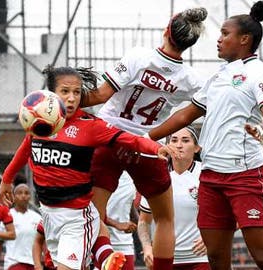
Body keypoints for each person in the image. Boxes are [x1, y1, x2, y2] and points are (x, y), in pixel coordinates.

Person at [146, 1, 263, 269]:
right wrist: (145, 136)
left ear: (244, 39)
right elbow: (184, 116)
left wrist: (261, 128)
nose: (219, 39)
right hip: (211, 177)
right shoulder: (218, 76)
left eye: (225, 33)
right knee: (216, 258)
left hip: (245, 175)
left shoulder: (259, 74)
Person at [0, 65, 178, 270]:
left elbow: (128, 139)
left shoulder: (90, 125)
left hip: (76, 218)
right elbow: (24, 150)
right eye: (65, 91)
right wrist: (6, 180)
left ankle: (105, 257)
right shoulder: (40, 123)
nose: (72, 98)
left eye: (77, 92)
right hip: (49, 215)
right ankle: (104, 257)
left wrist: (156, 148)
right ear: (52, 94)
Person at [79, 7, 208, 270]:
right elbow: (190, 114)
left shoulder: (138, 56)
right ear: (190, 43)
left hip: (109, 137)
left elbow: (100, 95)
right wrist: (147, 137)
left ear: (166, 30)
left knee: (93, 215)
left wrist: (65, 97)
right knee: (164, 219)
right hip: (148, 148)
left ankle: (95, 262)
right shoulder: (192, 79)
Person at [138, 126, 209, 270]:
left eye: (185, 140)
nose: (179, 145)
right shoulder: (156, 175)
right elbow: (144, 221)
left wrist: (212, 238)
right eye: (174, 140)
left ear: (197, 148)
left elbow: (229, 213)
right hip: (164, 259)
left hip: (200, 258)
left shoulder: (206, 173)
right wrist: (146, 247)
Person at [3, 175, 42, 270]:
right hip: (14, 263)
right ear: (14, 196)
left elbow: (42, 241)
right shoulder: (7, 215)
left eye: (26, 193)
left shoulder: (37, 217)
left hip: (33, 263)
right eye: (19, 193)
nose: (23, 196)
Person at [105, 172, 138, 270]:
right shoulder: (102, 173)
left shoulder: (131, 177)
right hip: (102, 244)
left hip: (125, 244)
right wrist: (117, 225)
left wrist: (146, 238)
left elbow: (130, 207)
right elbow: (95, 211)